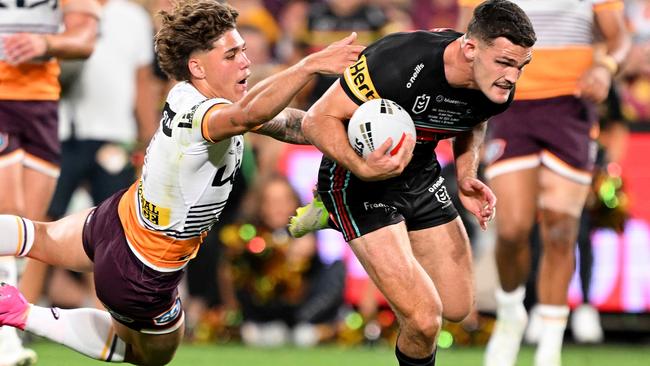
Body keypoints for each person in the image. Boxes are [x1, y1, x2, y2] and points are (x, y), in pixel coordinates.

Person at [0, 0, 363, 364]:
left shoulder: (190, 94)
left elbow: (286, 122)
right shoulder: (208, 115)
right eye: (232, 54)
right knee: (152, 355)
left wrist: (343, 129)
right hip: (144, 267)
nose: (246, 62)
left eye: (244, 51)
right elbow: (250, 113)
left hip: (119, 219)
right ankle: (20, 313)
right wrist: (309, 64)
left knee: (38, 236)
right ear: (197, 66)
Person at [291, 1, 536, 365]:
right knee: (424, 320)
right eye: (503, 62)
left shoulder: (497, 86)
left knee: (456, 307)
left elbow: (473, 118)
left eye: (521, 65)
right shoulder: (399, 60)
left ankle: (346, 222)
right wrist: (364, 167)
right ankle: (334, 205)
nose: (512, 77)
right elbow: (316, 120)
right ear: (470, 49)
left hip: (420, 171)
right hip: (357, 180)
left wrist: (467, 176)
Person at [456, 1, 630, 365]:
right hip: (510, 104)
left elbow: (619, 38)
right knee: (512, 229)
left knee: (561, 231)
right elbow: (466, 39)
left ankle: (550, 346)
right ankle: (510, 313)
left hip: (572, 105)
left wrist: (605, 66)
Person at [0, 0, 100, 364]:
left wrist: (47, 44)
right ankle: (5, 343)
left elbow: (85, 38)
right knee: (8, 213)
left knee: (30, 231)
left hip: (41, 104)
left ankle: (12, 324)